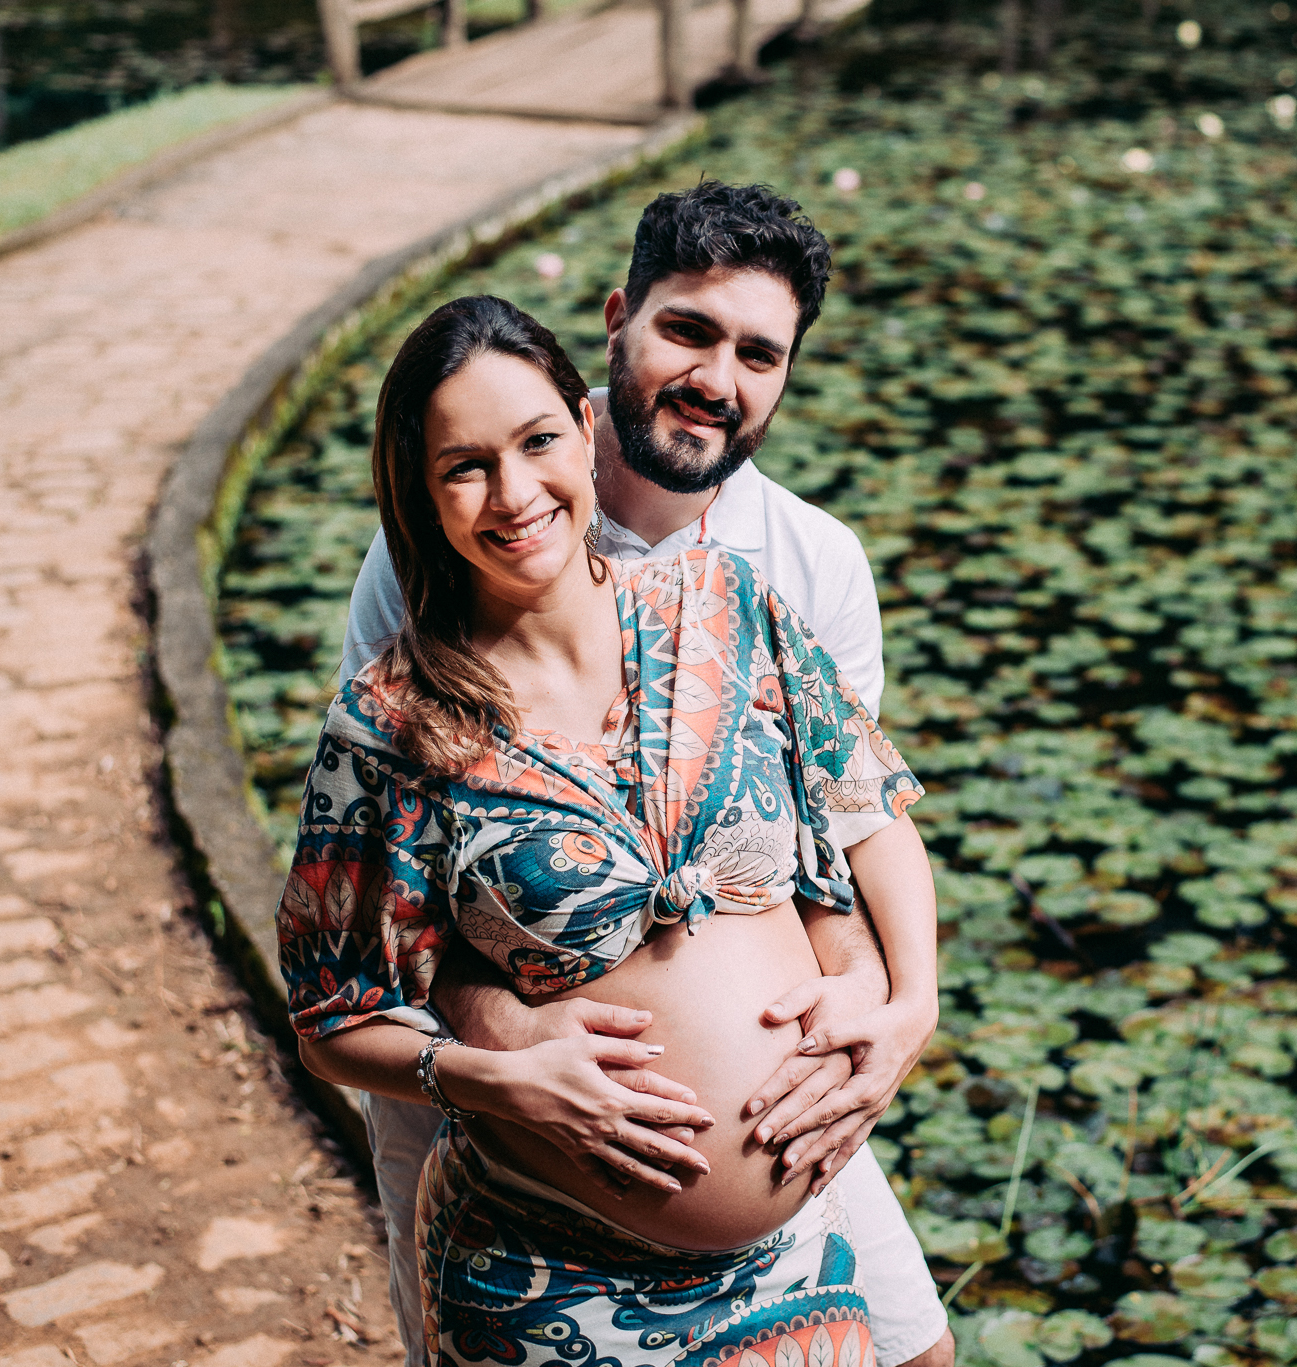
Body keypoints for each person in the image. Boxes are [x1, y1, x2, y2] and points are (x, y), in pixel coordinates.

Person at [331, 184, 951, 1365]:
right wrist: (508, 1046)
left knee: (918, 1346)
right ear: (616, 324)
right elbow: (399, 863)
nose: (717, 376)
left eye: (757, 352)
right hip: (501, 1121)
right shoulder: (460, 543)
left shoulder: (800, 568)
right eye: (687, 330)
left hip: (769, 1118)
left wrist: (881, 1000)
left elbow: (831, 835)